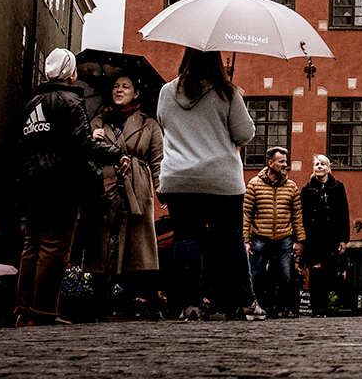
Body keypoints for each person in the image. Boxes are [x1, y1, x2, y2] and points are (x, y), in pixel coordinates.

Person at [17, 48, 126, 326]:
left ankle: (24, 309)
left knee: (32, 245)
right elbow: (83, 146)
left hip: (32, 183)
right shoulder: (69, 102)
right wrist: (114, 152)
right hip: (60, 184)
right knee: (55, 246)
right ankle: (42, 312)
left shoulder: (33, 102)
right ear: (71, 74)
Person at [156, 47, 262, 322]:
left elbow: (164, 125)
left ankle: (190, 305)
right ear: (217, 61)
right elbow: (244, 134)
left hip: (179, 178)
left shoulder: (167, 92)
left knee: (186, 239)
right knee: (230, 241)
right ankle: (245, 301)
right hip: (220, 179)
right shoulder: (226, 93)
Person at [86, 74, 164, 318]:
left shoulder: (149, 123)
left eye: (126, 87)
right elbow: (83, 153)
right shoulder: (97, 122)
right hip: (105, 186)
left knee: (140, 245)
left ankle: (149, 303)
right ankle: (100, 305)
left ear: (136, 93)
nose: (119, 90)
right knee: (103, 243)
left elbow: (158, 159)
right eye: (116, 86)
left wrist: (160, 186)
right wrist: (92, 140)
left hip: (137, 187)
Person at [244, 145, 306, 318]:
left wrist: (300, 241)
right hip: (260, 238)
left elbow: (297, 215)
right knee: (256, 275)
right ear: (271, 163)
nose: (285, 164)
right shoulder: (254, 185)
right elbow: (246, 214)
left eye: (286, 161)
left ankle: (280, 310)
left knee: (285, 277)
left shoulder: (291, 187)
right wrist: (245, 241)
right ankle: (258, 308)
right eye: (281, 161)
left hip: (284, 238)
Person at [299, 154, 351, 315]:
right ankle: (316, 309)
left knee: (330, 272)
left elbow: (344, 212)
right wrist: (301, 239)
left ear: (328, 168)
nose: (319, 167)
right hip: (314, 238)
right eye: (316, 164)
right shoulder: (307, 190)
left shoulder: (338, 187)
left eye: (322, 164)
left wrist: (344, 239)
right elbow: (302, 216)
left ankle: (324, 306)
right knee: (315, 273)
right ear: (313, 169)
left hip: (332, 237)